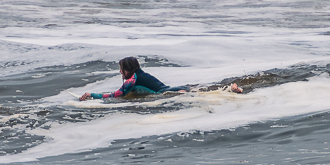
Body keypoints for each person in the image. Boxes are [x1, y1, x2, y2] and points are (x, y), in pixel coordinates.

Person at [79, 57, 241, 101]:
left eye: (122, 69)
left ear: (128, 69)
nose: (120, 72)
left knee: (203, 94)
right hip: (173, 88)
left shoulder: (132, 80)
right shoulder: (140, 74)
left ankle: (230, 89)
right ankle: (230, 87)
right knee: (205, 90)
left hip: (169, 92)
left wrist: (92, 95)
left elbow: (115, 95)